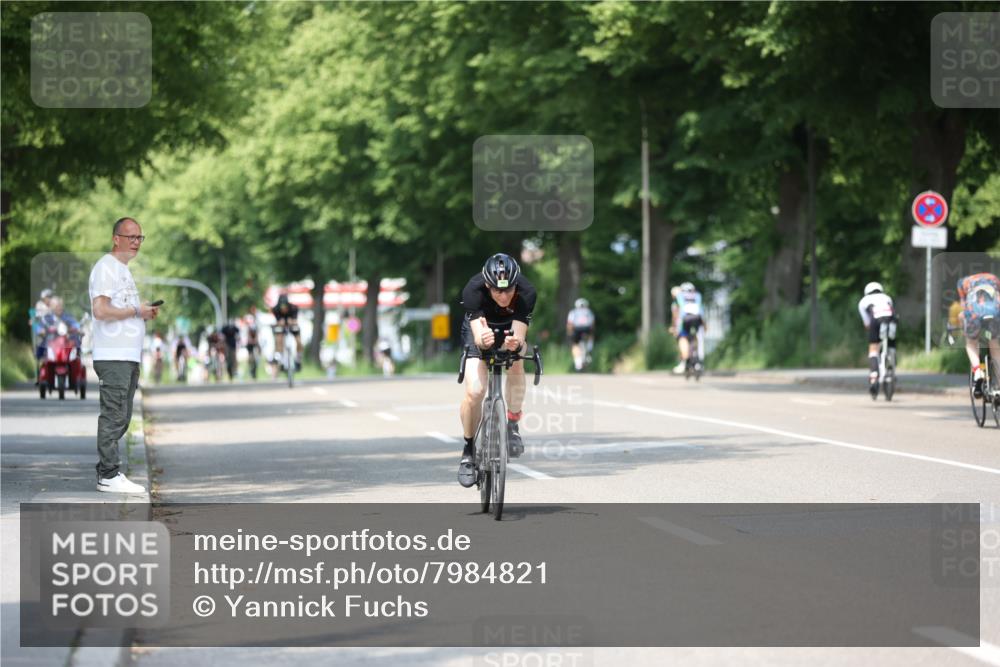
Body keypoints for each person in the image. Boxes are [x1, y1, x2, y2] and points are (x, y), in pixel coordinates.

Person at [88, 217, 158, 494]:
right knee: (114, 415)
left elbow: (124, 309)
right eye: (130, 237)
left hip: (127, 355)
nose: (136, 243)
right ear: (116, 238)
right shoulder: (106, 268)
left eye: (140, 238)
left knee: (123, 415)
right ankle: (108, 474)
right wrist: (135, 311)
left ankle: (110, 472)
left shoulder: (122, 270)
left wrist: (143, 313)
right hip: (113, 355)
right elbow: (101, 311)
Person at [456, 253, 536, 487]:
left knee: (518, 358)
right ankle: (468, 451)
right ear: (488, 285)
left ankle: (512, 424)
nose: (504, 296)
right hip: (479, 329)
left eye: (509, 290)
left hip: (509, 327)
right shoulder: (473, 290)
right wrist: (484, 339)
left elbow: (520, 335)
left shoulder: (527, 292)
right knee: (475, 392)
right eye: (498, 291)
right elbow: (480, 338)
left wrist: (515, 345)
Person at [957, 272, 1000, 398]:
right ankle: (998, 383)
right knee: (995, 345)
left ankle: (977, 371)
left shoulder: (962, 283)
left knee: (971, 343)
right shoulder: (994, 279)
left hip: (975, 314)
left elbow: (963, 308)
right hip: (994, 314)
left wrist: (962, 328)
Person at [857, 282, 897, 392]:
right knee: (891, 341)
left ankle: (874, 376)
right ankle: (892, 363)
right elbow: (890, 310)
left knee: (873, 349)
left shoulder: (863, 302)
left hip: (875, 320)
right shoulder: (887, 297)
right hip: (891, 320)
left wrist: (873, 336)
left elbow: (867, 323)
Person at [671, 282, 705, 374]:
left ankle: (685, 359)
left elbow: (676, 313)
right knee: (695, 336)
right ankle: (696, 358)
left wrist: (674, 327)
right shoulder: (697, 295)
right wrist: (704, 325)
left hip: (685, 318)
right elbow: (701, 310)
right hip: (697, 318)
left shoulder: (680, 296)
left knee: (682, 337)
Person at [271, 294, 302, 372]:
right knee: (278, 338)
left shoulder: (294, 308)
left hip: (292, 325)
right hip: (281, 326)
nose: (284, 309)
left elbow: (295, 321)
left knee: (299, 341)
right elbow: (277, 321)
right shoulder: (275, 309)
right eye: (282, 307)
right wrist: (279, 323)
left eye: (285, 307)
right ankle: (280, 357)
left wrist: (291, 321)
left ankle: (298, 359)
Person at [566, 297, 595, 372]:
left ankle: (578, 363)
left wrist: (570, 333)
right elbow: (592, 324)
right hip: (587, 329)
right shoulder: (589, 311)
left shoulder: (573, 311)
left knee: (575, 345)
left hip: (577, 329)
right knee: (590, 338)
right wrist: (591, 333)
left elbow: (570, 323)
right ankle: (589, 350)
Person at [244, 305, 260, 379]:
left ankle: (255, 369)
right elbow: (247, 330)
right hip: (249, 340)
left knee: (257, 354)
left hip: (255, 339)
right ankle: (250, 367)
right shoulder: (248, 318)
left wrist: (256, 339)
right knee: (250, 356)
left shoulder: (258, 319)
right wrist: (249, 339)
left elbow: (258, 331)